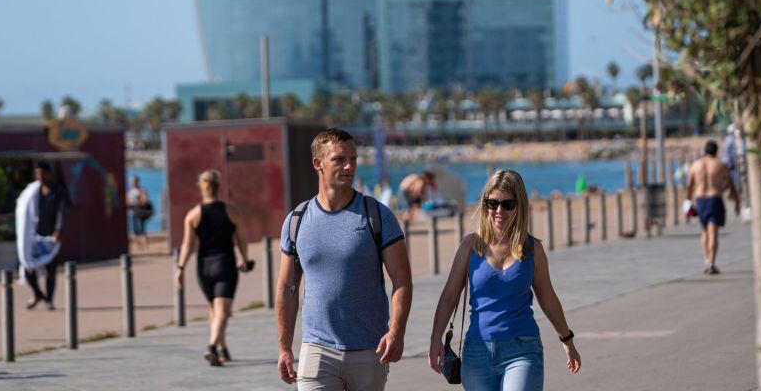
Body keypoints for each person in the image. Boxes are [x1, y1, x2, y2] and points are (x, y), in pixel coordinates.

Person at [276, 128, 412, 390]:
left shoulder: (377, 215)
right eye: (339, 159)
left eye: (353, 159)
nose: (349, 166)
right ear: (318, 164)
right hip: (317, 351)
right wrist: (284, 347)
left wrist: (396, 331)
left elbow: (402, 279)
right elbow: (286, 288)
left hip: (369, 350)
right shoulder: (297, 220)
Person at [429, 170, 580, 390]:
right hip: (477, 351)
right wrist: (435, 340)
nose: (499, 211)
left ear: (519, 206)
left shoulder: (532, 249)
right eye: (493, 203)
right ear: (485, 205)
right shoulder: (470, 246)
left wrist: (567, 340)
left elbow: (548, 300)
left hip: (522, 350)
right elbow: (449, 297)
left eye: (507, 205)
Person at [176, 170, 254, 366]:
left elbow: (187, 244)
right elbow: (242, 240)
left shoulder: (193, 215)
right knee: (222, 312)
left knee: (214, 310)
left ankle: (222, 348)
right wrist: (244, 259)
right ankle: (211, 346)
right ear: (219, 187)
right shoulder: (232, 211)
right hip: (225, 264)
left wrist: (180, 268)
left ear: (201, 188)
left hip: (203, 268)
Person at [17, 160, 69, 310]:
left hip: (51, 235)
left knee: (50, 269)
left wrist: (59, 229)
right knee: (28, 267)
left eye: (41, 173)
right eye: (37, 173)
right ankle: (38, 293)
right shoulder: (33, 192)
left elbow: (61, 211)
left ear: (48, 173)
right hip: (34, 235)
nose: (39, 176)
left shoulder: (58, 191)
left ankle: (49, 299)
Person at [686, 140, 740, 274]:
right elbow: (731, 184)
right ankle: (711, 263)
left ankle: (706, 260)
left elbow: (689, 185)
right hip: (714, 198)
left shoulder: (695, 165)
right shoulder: (720, 165)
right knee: (713, 231)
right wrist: (737, 202)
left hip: (700, 200)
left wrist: (687, 201)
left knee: (704, 231)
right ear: (716, 151)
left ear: (705, 151)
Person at [126, 175, 152, 253]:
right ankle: (140, 248)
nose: (132, 182)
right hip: (133, 213)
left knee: (142, 230)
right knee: (135, 231)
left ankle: (146, 248)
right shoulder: (129, 191)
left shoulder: (141, 190)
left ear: (137, 181)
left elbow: (145, 200)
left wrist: (137, 203)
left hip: (140, 213)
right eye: (131, 181)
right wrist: (131, 204)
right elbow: (127, 202)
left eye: (134, 181)